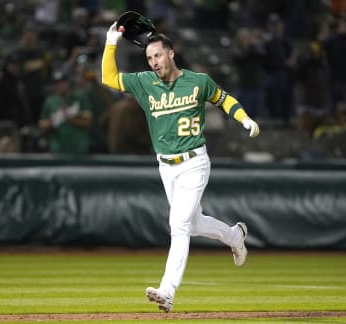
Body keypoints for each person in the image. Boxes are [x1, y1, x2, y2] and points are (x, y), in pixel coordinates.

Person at [101, 22, 260, 312]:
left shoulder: (198, 82)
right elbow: (109, 77)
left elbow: (224, 100)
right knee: (194, 223)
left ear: (171, 54)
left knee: (179, 226)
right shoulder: (144, 82)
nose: (154, 62)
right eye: (149, 58)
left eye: (158, 56)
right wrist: (111, 43)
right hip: (166, 167)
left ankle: (167, 291)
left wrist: (245, 119)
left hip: (194, 163)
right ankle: (235, 235)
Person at [38, 71, 93, 154]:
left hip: (79, 148)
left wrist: (69, 118)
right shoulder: (50, 102)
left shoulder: (80, 98)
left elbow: (87, 122)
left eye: (63, 82)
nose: (60, 85)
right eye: (57, 83)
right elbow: (42, 125)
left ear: (68, 83)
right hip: (58, 148)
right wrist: (52, 123)